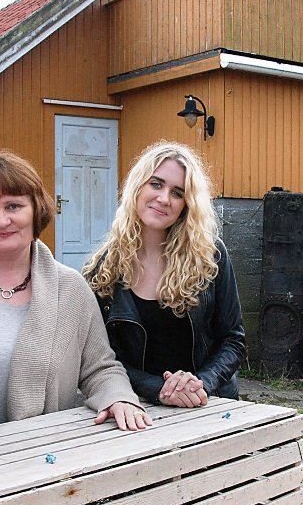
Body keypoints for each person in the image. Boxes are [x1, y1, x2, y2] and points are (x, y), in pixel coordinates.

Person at [0, 150, 151, 431]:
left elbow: (100, 368)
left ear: (35, 209)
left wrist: (119, 398)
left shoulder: (70, 289)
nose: (2, 221)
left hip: (36, 453)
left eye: (14, 206)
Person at [84, 141, 246, 407]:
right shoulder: (104, 269)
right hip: (138, 408)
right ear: (138, 186)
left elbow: (233, 340)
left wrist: (200, 383)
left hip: (209, 403)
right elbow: (102, 359)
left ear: (187, 204)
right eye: (156, 184)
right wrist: (159, 388)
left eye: (178, 192)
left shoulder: (210, 257)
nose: (163, 198)